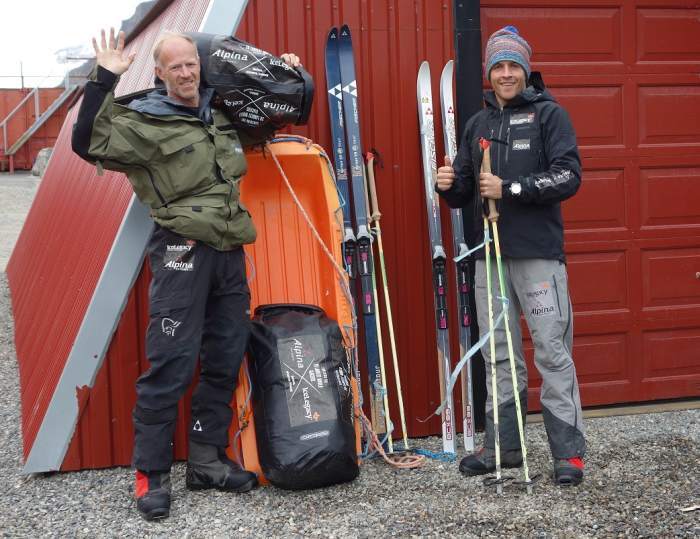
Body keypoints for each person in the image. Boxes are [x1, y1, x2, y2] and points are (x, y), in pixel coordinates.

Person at [72, 28, 301, 520]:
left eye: (190, 64)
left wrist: (282, 71)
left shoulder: (220, 112)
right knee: (171, 362)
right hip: (182, 250)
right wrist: (104, 78)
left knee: (224, 354)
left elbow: (273, 116)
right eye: (174, 66)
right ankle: (150, 474)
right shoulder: (142, 122)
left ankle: (205, 460)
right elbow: (85, 140)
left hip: (229, 249)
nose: (185, 72)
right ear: (158, 73)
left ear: (201, 66)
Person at [436, 26, 586, 485]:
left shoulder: (549, 116)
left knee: (551, 351)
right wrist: (449, 185)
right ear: (489, 72)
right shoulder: (478, 124)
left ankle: (568, 455)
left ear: (525, 70)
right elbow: (465, 191)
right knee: (499, 355)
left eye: (513, 66)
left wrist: (512, 188)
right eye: (497, 66)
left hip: (537, 256)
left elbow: (569, 177)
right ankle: (504, 446)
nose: (505, 74)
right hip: (490, 257)